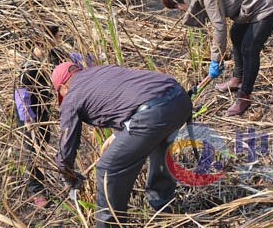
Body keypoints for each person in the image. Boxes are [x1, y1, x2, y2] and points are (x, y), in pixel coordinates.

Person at [52, 62, 192, 227]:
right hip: (179, 99)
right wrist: (120, 133)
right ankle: (166, 210)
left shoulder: (71, 96)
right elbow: (132, 94)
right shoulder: (102, 70)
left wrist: (67, 175)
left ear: (63, 88)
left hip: (153, 114)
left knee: (107, 169)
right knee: (159, 147)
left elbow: (66, 146)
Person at [161, 0, 273, 116]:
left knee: (249, 48)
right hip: (253, 1)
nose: (180, 9)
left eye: (177, 6)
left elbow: (219, 28)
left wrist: (216, 59)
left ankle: (244, 96)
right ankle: (238, 78)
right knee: (236, 34)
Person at [15, 25, 65, 208]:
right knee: (33, 150)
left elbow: (71, 62)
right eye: (56, 35)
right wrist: (29, 120)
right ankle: (37, 192)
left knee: (43, 143)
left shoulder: (52, 56)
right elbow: (22, 95)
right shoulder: (29, 67)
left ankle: (43, 182)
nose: (59, 37)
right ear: (45, 39)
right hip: (29, 113)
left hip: (43, 108)